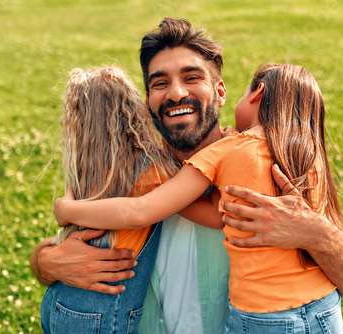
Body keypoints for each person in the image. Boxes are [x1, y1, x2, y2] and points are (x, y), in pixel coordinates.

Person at [31, 18, 343, 334]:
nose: (176, 93)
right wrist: (47, 262)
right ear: (148, 101)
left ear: (221, 91)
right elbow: (61, 246)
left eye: (192, 77)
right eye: (160, 83)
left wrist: (314, 231)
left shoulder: (271, 177)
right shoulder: (131, 173)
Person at [39, 65, 222, 334]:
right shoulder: (155, 173)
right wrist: (222, 153)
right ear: (136, 110)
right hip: (102, 314)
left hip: (56, 304)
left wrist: (66, 210)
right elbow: (214, 213)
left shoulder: (84, 174)